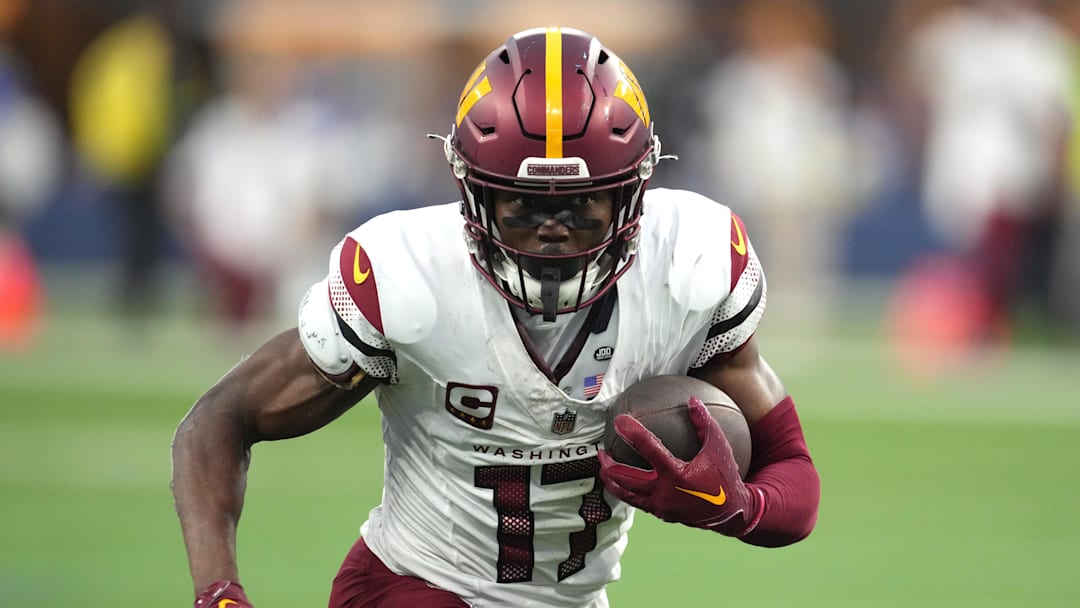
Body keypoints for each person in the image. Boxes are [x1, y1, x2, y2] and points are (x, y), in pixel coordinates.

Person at [172, 27, 820, 608]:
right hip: (417, 587)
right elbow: (220, 420)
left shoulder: (691, 265)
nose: (552, 232)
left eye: (583, 204)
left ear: (635, 190)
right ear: (469, 189)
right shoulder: (409, 279)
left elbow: (795, 480)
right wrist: (220, 595)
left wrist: (735, 506)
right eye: (521, 204)